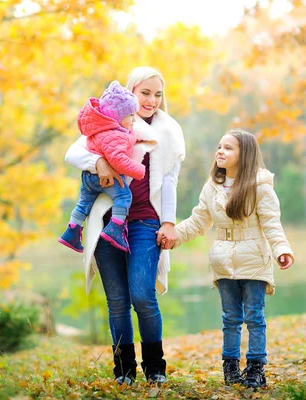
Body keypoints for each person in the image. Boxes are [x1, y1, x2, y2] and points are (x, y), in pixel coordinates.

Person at [64, 66, 185, 386]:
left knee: (143, 294)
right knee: (116, 300)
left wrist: (169, 222)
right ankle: (124, 371)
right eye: (145, 93)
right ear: (130, 92)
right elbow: (73, 154)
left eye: (157, 94)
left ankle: (155, 366)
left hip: (146, 220)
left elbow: (170, 182)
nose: (152, 100)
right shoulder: (107, 121)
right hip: (107, 223)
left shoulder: (168, 131)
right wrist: (98, 162)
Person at [167, 129, 294, 389]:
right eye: (220, 146)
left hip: (254, 259)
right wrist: (173, 237)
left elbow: (272, 223)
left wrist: (282, 249)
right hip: (223, 260)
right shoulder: (212, 187)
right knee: (230, 318)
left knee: (254, 317)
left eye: (228, 148)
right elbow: (198, 221)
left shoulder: (260, 186)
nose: (220, 152)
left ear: (244, 154)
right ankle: (230, 367)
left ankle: (256, 368)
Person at [59, 81, 145, 253]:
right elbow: (118, 160)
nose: (134, 119)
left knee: (84, 203)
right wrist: (139, 170)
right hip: (104, 178)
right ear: (117, 117)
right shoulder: (115, 135)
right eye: (130, 115)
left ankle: (72, 230)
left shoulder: (100, 128)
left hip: (87, 178)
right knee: (124, 197)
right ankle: (115, 228)